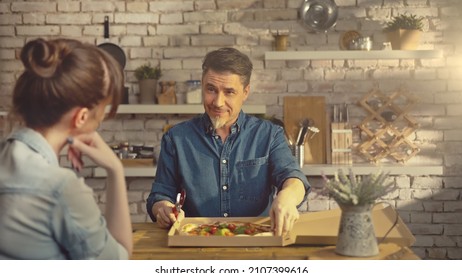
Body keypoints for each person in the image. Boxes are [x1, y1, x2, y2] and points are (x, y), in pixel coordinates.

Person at [146, 47, 310, 236]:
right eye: (211, 90)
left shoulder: (269, 134)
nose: (218, 102)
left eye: (229, 92)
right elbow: (159, 195)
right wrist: (163, 209)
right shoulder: (176, 138)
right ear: (202, 85)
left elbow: (294, 178)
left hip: (256, 244)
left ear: (245, 92)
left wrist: (287, 198)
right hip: (195, 245)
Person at [0, 38, 132, 259]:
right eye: (102, 112)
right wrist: (115, 170)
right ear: (81, 117)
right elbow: (119, 262)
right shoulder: (61, 188)